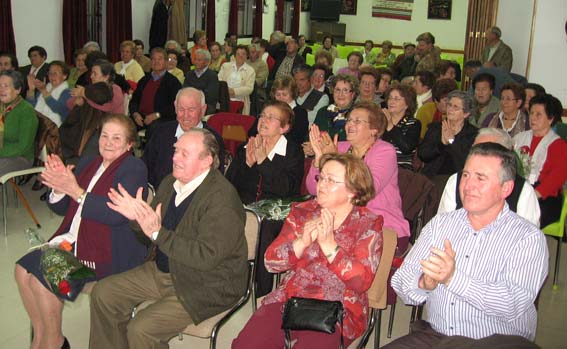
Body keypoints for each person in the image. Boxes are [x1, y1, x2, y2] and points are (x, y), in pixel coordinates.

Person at [89, 129, 247, 349]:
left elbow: (206, 257)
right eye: (175, 150)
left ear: (206, 161)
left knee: (141, 329)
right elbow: (150, 237)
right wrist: (137, 219)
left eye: (184, 153)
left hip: (206, 283)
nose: (174, 157)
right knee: (103, 293)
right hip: (164, 270)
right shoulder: (170, 183)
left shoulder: (222, 199)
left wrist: (157, 233)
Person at [387, 142, 547, 349]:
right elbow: (400, 280)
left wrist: (453, 278)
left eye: (480, 178)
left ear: (506, 188)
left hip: (499, 341)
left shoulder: (527, 237)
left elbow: (513, 304)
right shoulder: (441, 224)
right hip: (437, 336)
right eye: (465, 175)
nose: (468, 185)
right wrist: (423, 284)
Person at [15, 114, 148, 349]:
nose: (107, 142)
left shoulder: (134, 168)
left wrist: (74, 189)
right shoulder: (90, 162)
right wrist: (58, 187)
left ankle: (54, 341)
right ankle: (42, 336)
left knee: (42, 279)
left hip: (107, 253)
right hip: (74, 241)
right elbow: (62, 208)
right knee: (21, 270)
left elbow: (115, 215)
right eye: (104, 135)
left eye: (116, 138)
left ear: (129, 144)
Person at [232, 153, 383, 349]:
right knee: (245, 345)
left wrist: (330, 246)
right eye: (321, 177)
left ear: (353, 191)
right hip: (291, 298)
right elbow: (271, 262)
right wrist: (301, 242)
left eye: (331, 180)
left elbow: (361, 282)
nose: (321, 184)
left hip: (339, 308)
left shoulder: (368, 224)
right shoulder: (303, 212)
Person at [307, 102, 410, 252]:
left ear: (374, 129)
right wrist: (319, 160)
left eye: (357, 121)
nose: (350, 124)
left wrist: (333, 159)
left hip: (381, 225)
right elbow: (312, 189)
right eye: (349, 120)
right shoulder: (340, 147)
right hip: (340, 223)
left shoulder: (384, 151)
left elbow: (366, 190)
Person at [438, 128, 540, 227]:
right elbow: (441, 226)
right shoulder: (456, 181)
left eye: (487, 153)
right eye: (476, 150)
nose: (469, 185)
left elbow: (529, 233)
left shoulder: (523, 190)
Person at [143, 87, 224, 188]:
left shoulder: (213, 139)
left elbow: (215, 181)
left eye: (191, 110)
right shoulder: (160, 132)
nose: (186, 115)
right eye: (181, 109)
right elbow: (145, 167)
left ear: (203, 110)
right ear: (175, 107)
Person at [226, 101, 304, 205]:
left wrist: (263, 161)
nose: (263, 120)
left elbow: (286, 190)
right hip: (242, 209)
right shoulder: (247, 147)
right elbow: (229, 184)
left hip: (275, 213)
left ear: (284, 128)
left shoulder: (293, 152)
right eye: (262, 116)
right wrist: (248, 165)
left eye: (271, 117)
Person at [513, 93, 567, 227]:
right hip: (519, 189)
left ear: (550, 119)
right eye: (531, 113)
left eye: (538, 114)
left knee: (521, 218)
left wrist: (531, 195)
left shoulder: (559, 145)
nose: (533, 118)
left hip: (545, 197)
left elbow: (556, 179)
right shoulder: (519, 138)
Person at [419, 90, 478, 185]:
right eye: (449, 105)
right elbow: (423, 155)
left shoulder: (473, 134)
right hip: (431, 177)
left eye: (456, 107)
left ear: (466, 113)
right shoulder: (435, 128)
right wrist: (441, 144)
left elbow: (465, 162)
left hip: (458, 180)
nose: (450, 109)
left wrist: (451, 141)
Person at [129, 47, 182, 137]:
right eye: (153, 59)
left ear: (166, 62)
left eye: (160, 59)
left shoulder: (173, 82)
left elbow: (175, 106)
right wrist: (135, 114)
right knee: (124, 125)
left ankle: (149, 150)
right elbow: (134, 100)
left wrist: (157, 115)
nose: (156, 62)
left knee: (155, 129)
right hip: (141, 116)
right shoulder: (144, 80)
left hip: (161, 117)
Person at [0, 70, 39, 176]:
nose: (1, 89)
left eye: (5, 86)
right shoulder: (2, 106)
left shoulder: (26, 111)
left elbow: (23, 146)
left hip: (20, 157)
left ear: (17, 90)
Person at [382, 84, 421, 170]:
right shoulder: (380, 121)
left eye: (396, 99)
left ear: (407, 104)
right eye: (390, 98)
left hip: (401, 168)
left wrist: (390, 125)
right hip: (380, 164)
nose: (391, 101)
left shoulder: (414, 123)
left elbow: (407, 148)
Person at [313, 74, 358, 141]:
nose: (340, 94)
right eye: (337, 90)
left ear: (353, 94)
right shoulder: (323, 111)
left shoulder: (357, 115)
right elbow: (311, 135)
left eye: (345, 90)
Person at [26, 60, 71, 127]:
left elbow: (58, 109)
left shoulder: (68, 92)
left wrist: (44, 92)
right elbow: (30, 108)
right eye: (50, 73)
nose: (52, 76)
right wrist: (31, 89)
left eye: (55, 73)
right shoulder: (45, 88)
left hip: (55, 129)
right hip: (38, 124)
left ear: (64, 76)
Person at [269, 76, 309, 144]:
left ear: (292, 94)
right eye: (278, 95)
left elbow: (297, 138)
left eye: (284, 95)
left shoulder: (300, 112)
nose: (281, 98)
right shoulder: (269, 109)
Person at [218, 45, 256, 115]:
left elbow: (249, 88)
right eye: (238, 54)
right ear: (234, 55)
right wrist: (226, 90)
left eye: (243, 54)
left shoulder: (250, 70)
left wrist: (234, 91)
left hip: (240, 99)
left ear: (247, 56)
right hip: (223, 98)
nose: (240, 56)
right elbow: (219, 80)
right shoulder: (225, 66)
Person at [183, 49, 219, 115]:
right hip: (189, 105)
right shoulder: (189, 74)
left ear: (207, 62)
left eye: (199, 60)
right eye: (195, 59)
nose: (196, 62)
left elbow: (211, 97)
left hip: (206, 106)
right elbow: (184, 91)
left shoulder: (212, 76)